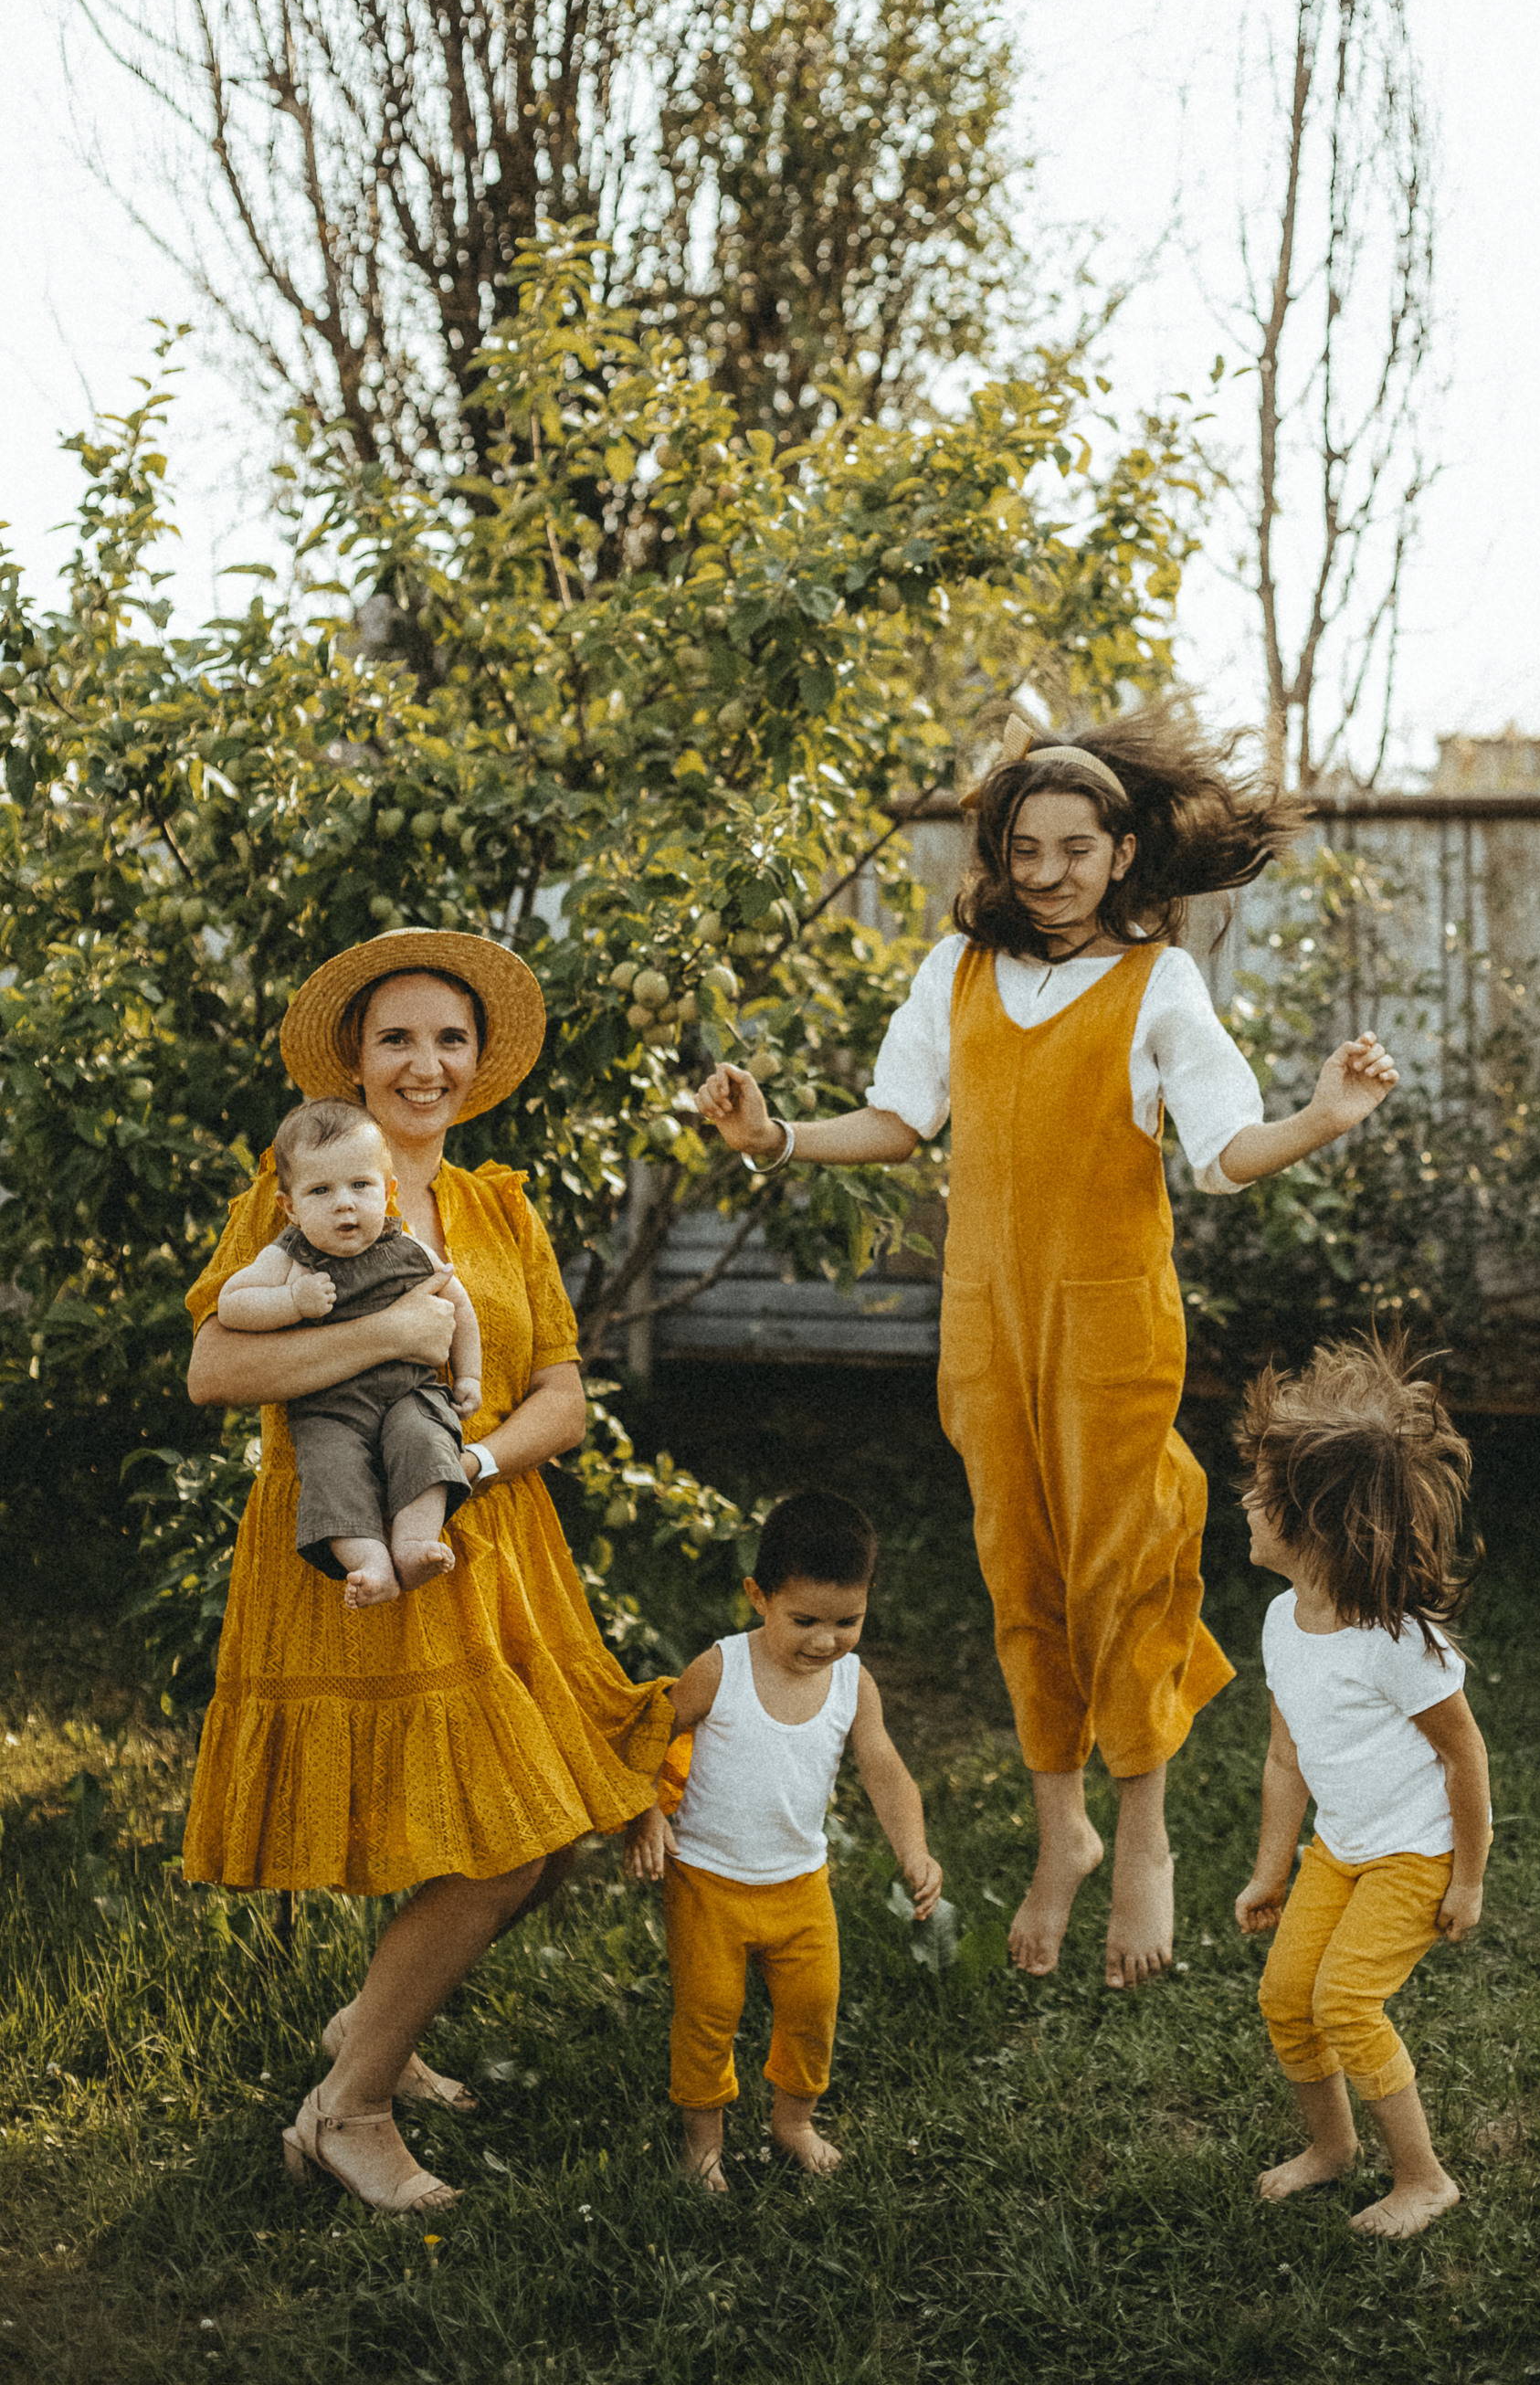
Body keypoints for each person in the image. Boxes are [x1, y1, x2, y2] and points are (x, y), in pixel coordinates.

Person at [698, 701, 1397, 1989]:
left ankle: (1142, 1837)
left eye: (1078, 850)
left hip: (1111, 1325)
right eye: (1028, 851)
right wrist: (777, 1136)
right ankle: (1057, 1830)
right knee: (1021, 1570)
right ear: (1000, 856)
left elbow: (1226, 1158)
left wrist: (1324, 1115)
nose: (1051, 875)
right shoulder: (954, 974)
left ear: (1124, 852)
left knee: (1118, 1570)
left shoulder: (1158, 984)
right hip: (987, 1329)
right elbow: (901, 1121)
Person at [184, 929, 682, 2215]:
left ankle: (374, 2024)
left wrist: (473, 1461)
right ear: (357, 1058)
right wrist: (390, 1330)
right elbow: (216, 1371)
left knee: (556, 1815)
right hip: (348, 1549)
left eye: (448, 1039)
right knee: (508, 1845)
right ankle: (346, 2110)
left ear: (478, 1061)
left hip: (483, 1534)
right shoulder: (302, 1189)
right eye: (397, 1038)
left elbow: (562, 1393)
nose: (424, 1064)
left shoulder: (503, 1209)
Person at [1231, 1334, 1491, 2240]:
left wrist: (1465, 1878)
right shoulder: (1279, 1621)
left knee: (1343, 2002)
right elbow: (1283, 1757)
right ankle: (1332, 2150)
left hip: (1413, 1857)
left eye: (1261, 1495)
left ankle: (1422, 2178)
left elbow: (1463, 1759)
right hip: (1336, 1852)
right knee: (1283, 1996)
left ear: (1308, 1521)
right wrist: (1272, 1870)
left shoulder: (1396, 1643)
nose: (1243, 1503)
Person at [622, 1489, 941, 2191]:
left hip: (801, 1885)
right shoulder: (722, 1669)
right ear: (757, 1596)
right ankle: (703, 2143)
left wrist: (913, 1850)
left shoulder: (853, 1684)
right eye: (805, 1620)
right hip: (707, 1880)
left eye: (847, 1620)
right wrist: (646, 1813)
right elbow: (651, 1735)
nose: (826, 1641)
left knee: (811, 2009)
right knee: (707, 2015)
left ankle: (793, 2120)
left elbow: (885, 1770)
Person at [216, 1097, 484, 1606]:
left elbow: (459, 1305)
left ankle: (412, 1542)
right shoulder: (290, 1254)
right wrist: (290, 1300)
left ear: (388, 1192)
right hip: (329, 1408)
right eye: (321, 1190)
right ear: (289, 1206)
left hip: (410, 1393)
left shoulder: (406, 1245)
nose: (344, 1203)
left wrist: (469, 1375)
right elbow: (232, 1304)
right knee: (331, 1471)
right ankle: (370, 1563)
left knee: (427, 1442)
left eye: (360, 1186)